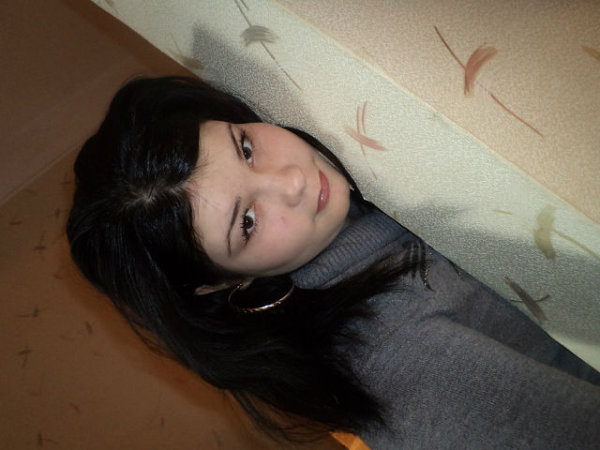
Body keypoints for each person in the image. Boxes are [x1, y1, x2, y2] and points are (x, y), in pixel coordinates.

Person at [67, 76, 600, 449]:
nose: (291, 180)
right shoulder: (395, 354)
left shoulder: (356, 209)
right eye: (246, 222)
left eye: (246, 148)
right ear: (224, 283)